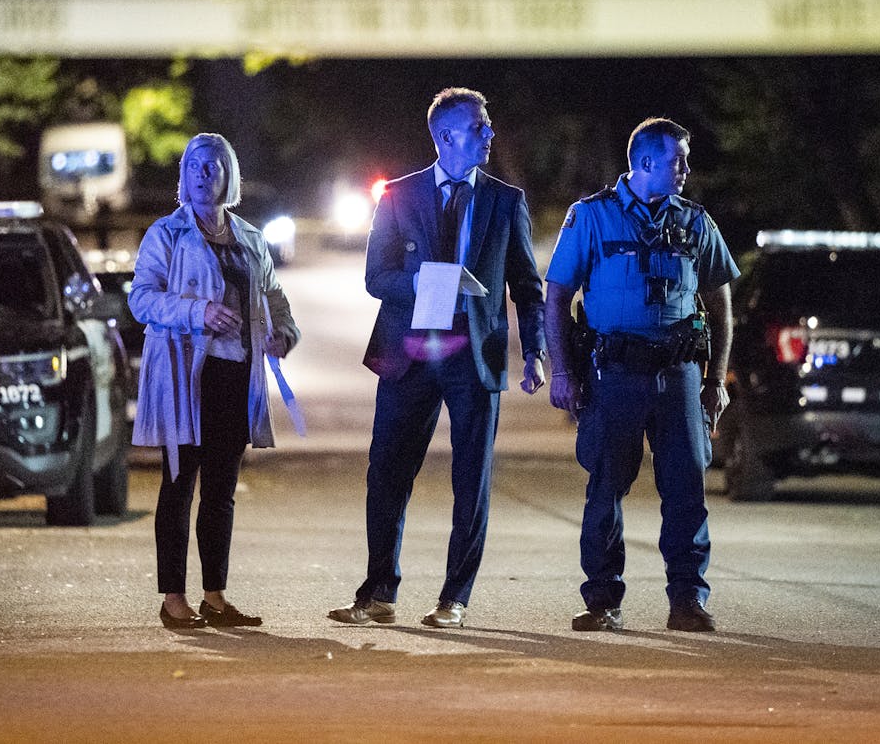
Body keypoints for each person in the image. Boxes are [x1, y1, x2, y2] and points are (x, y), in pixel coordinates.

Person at [328, 88, 547, 630]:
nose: (489, 134)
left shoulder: (505, 201)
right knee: (386, 473)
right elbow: (376, 277)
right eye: (479, 127)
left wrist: (537, 352)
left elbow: (527, 285)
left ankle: (455, 598)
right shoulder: (398, 196)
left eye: (488, 125)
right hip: (410, 352)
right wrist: (424, 281)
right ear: (445, 137)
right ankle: (379, 591)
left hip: (474, 354)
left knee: (471, 479)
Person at [543, 117, 739, 634]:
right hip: (613, 375)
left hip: (678, 377)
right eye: (678, 160)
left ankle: (688, 601)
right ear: (646, 163)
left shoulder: (696, 223)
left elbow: (720, 303)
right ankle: (602, 600)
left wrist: (716, 377)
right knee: (605, 489)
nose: (686, 170)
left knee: (686, 490)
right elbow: (558, 295)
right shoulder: (591, 217)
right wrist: (562, 371)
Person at [129, 133, 302, 629]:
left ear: (230, 176)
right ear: (182, 176)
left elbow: (273, 295)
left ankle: (215, 595)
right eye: (195, 166)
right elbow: (141, 299)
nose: (204, 175)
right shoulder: (166, 234)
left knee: (222, 489)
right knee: (180, 484)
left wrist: (284, 332)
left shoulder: (249, 237)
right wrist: (196, 311)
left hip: (235, 375)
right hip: (187, 374)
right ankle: (173, 598)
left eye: (214, 167)